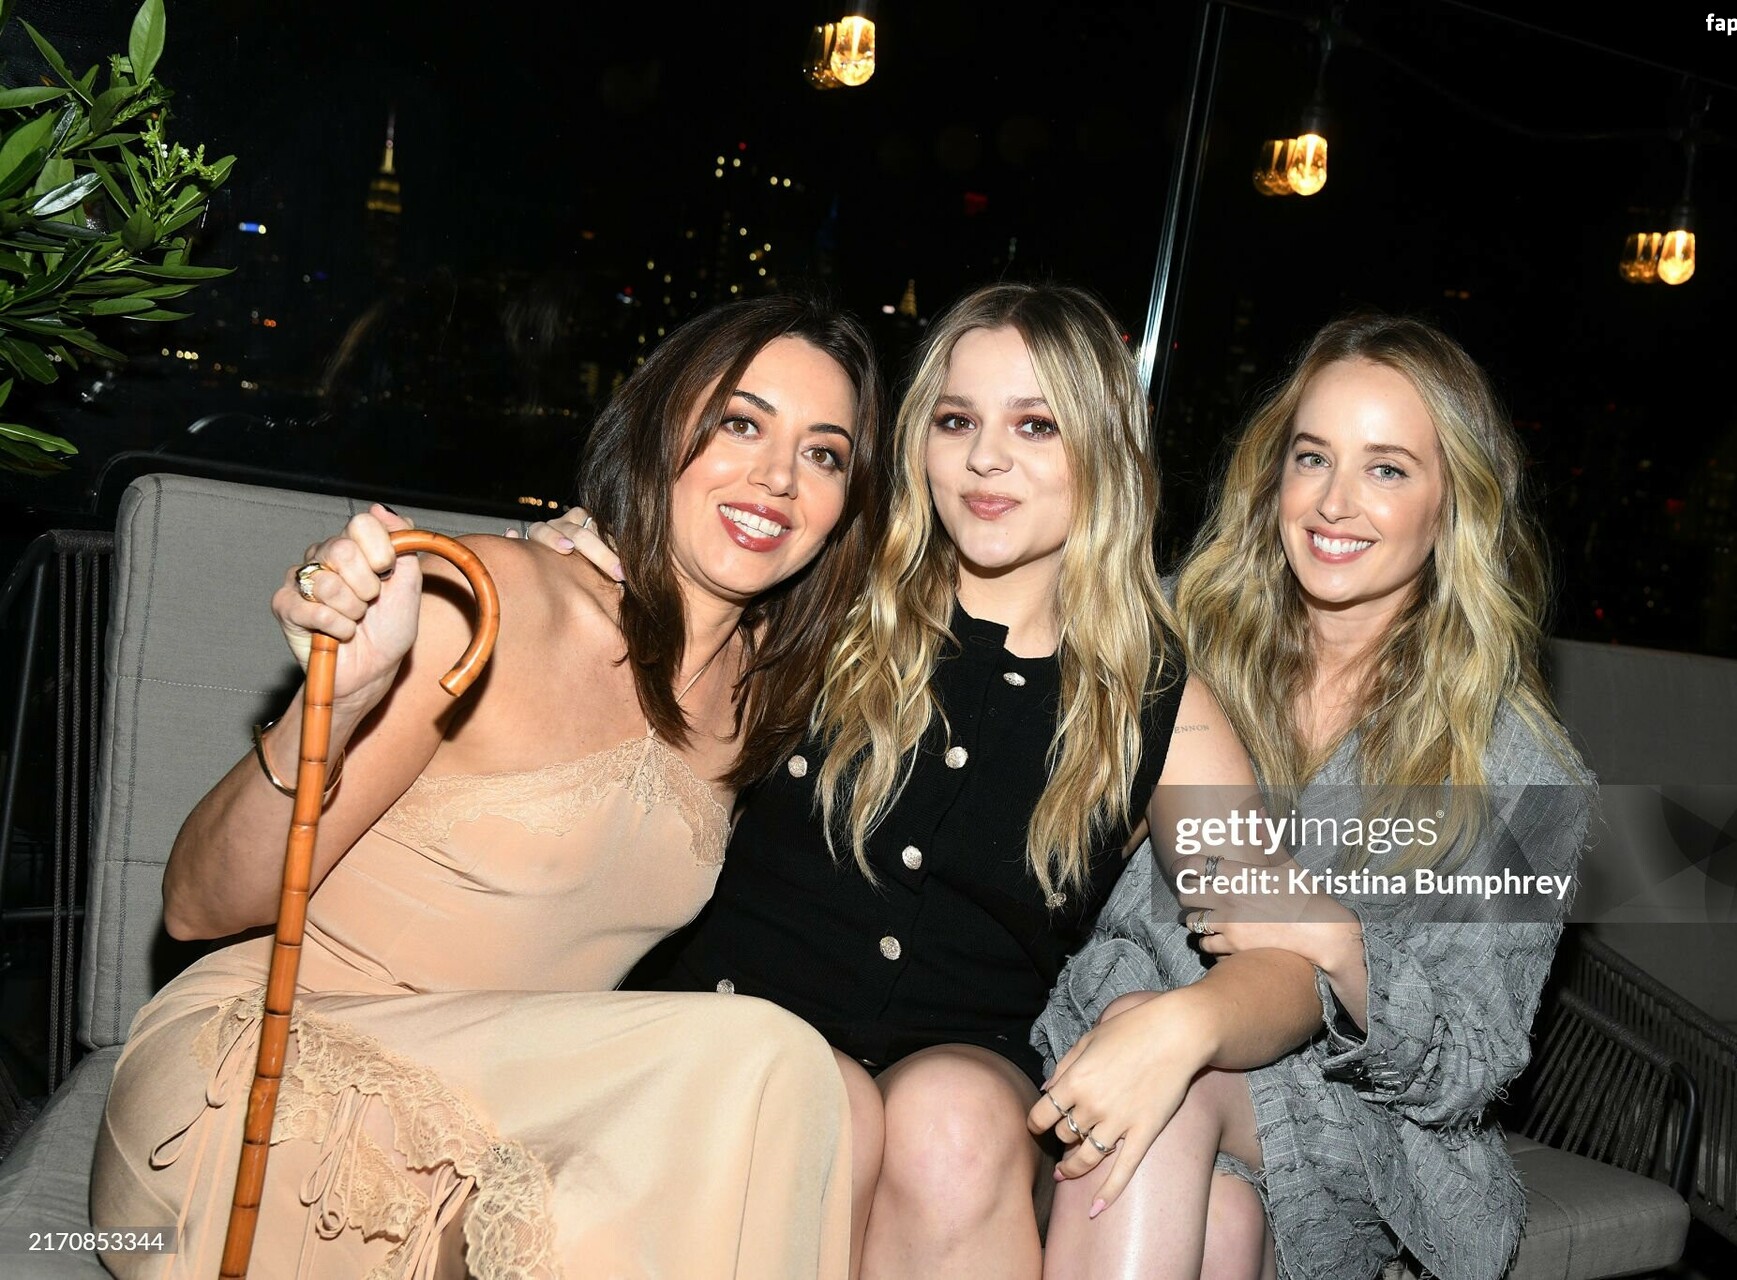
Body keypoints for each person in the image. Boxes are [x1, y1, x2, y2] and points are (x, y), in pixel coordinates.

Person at [88, 294, 888, 1279]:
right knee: (764, 1063)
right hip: (274, 1087)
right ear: (657, 426)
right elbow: (198, 904)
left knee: (822, 1101)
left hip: (506, 1124)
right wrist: (337, 705)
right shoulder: (486, 606)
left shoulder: (764, 693)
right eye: (739, 422)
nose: (777, 477)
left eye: (824, 453)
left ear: (847, 506)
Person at [530, 281, 1299, 1279]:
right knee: (817, 1099)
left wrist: (1184, 1025)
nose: (986, 458)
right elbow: (652, 589)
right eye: (956, 420)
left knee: (954, 1121)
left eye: (1035, 425)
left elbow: (1288, 962)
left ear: (1105, 450)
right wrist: (578, 559)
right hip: (728, 1031)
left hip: (965, 1082)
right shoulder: (820, 599)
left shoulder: (1152, 700)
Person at [1031, 313, 1595, 1280]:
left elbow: (1475, 1065)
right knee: (1215, 1216)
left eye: (1388, 469)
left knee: (1170, 1089)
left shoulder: (1527, 769)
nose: (1335, 503)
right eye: (1313, 458)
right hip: (1123, 1039)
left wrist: (1337, 941)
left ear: (1454, 505)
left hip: (1367, 1131)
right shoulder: (1176, 641)